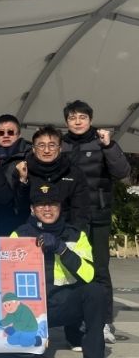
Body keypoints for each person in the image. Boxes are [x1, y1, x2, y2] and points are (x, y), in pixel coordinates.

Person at [13, 184, 108, 358]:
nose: (47, 209)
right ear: (32, 209)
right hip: (33, 308)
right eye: (41, 205)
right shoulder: (19, 235)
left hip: (65, 306)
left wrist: (62, 249)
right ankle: (26, 336)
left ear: (60, 207)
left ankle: (94, 354)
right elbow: (6, 274)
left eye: (53, 204)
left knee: (96, 291)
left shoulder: (76, 235)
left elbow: (89, 274)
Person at [62, 100, 130, 343]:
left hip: (97, 215)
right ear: (66, 122)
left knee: (99, 270)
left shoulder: (103, 142)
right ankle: (74, 321)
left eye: (82, 117)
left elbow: (122, 172)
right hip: (70, 218)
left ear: (90, 119)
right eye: (72, 118)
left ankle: (103, 322)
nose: (77, 121)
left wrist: (109, 145)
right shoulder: (61, 144)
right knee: (71, 269)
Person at [15, 125, 90, 231]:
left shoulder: (74, 173)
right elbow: (19, 208)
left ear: (60, 148)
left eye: (52, 145)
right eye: (41, 145)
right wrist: (23, 181)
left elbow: (80, 211)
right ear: (33, 149)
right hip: (31, 231)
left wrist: (76, 234)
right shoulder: (22, 170)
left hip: (65, 232)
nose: (47, 150)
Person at [0, 114, 32, 236]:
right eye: (1, 133)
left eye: (10, 132)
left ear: (18, 134)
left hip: (24, 216)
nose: (6, 135)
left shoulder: (31, 155)